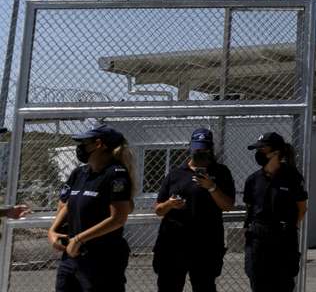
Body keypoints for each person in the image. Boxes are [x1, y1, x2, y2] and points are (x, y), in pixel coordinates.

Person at [47, 124, 137, 292]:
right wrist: (52, 230)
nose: (80, 147)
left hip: (102, 258)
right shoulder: (80, 173)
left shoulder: (115, 174)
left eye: (83, 143)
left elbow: (118, 218)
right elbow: (67, 204)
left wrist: (80, 239)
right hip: (72, 255)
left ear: (99, 145)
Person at [153, 127, 236, 292]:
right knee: (168, 286)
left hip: (206, 244)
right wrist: (169, 204)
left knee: (204, 286)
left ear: (210, 150)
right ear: (190, 147)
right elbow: (158, 210)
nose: (199, 152)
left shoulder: (221, 172)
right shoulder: (175, 174)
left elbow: (228, 206)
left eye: (203, 149)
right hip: (174, 243)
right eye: (196, 148)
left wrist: (211, 187)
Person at [243, 131, 308, 292]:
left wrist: (289, 227)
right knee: (258, 282)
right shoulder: (253, 180)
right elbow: (250, 209)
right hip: (258, 237)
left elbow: (301, 208)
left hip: (283, 238)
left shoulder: (292, 177)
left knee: (283, 284)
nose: (259, 153)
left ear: (276, 152)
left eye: (262, 149)